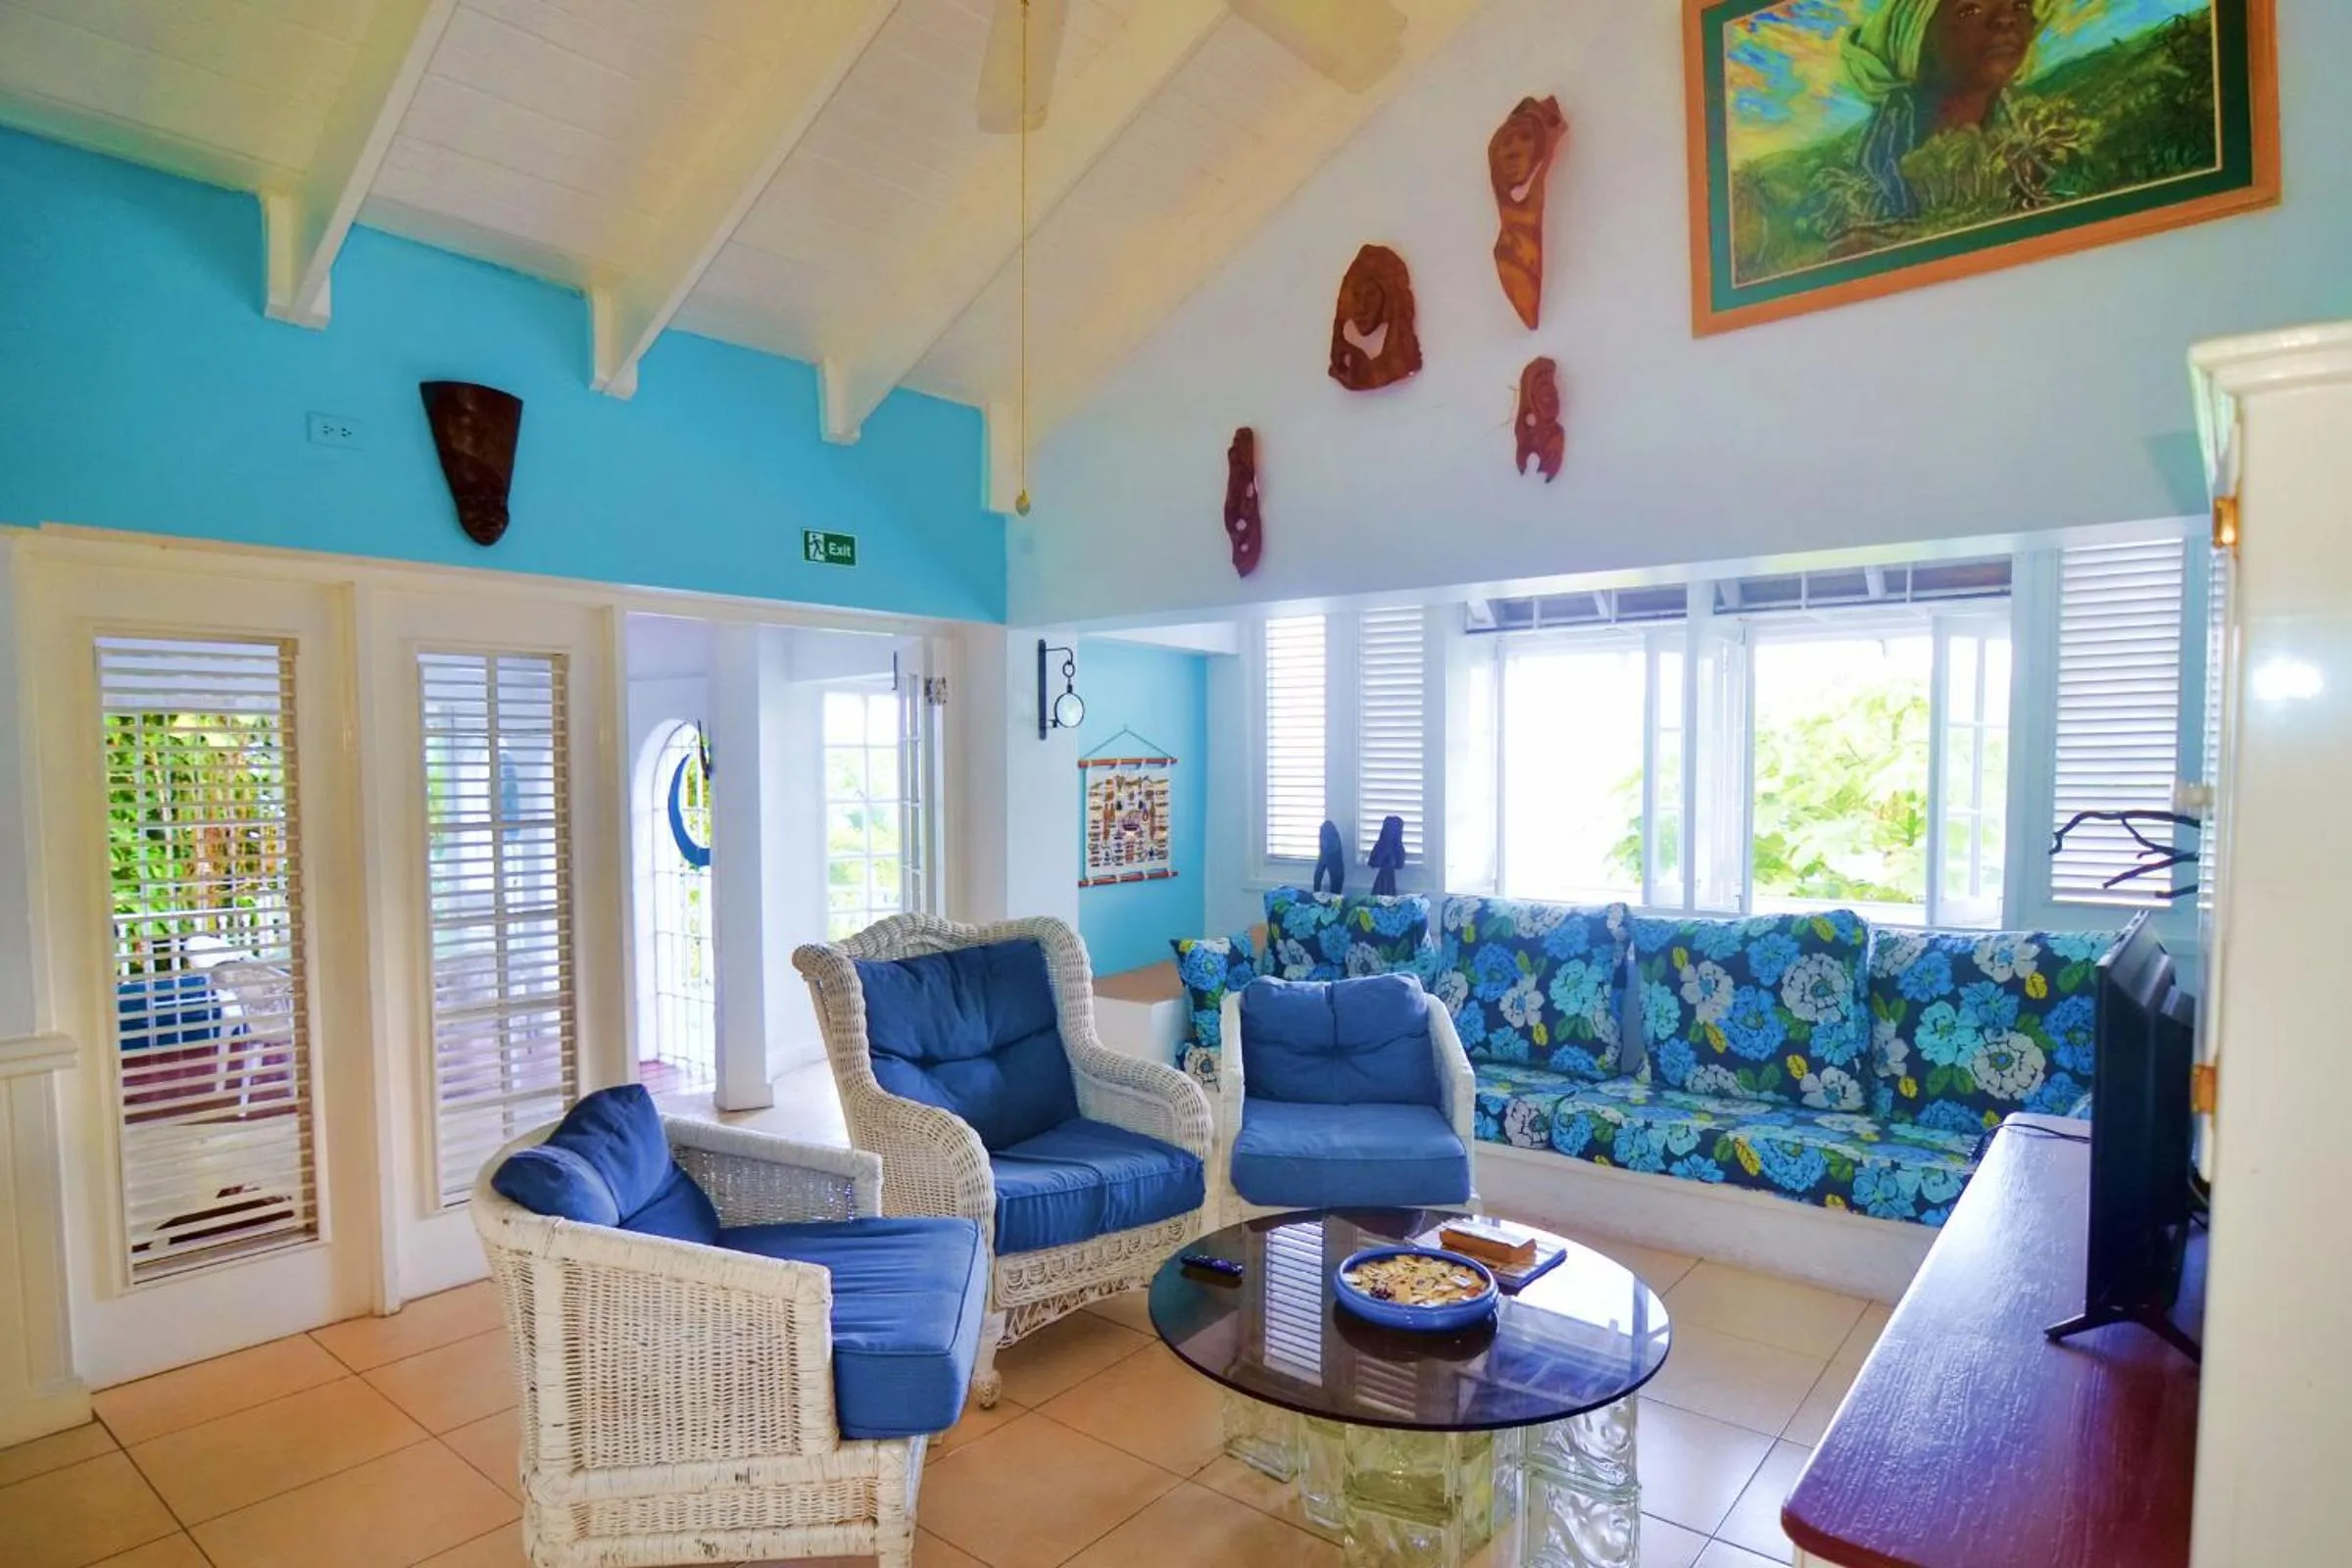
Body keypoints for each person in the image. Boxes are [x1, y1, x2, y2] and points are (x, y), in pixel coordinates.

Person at [1842, 0, 2047, 220]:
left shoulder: (2039, 142)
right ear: (1917, 37)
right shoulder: (1868, 191)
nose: (2006, 19)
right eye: (1969, 10)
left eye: (2020, 6)